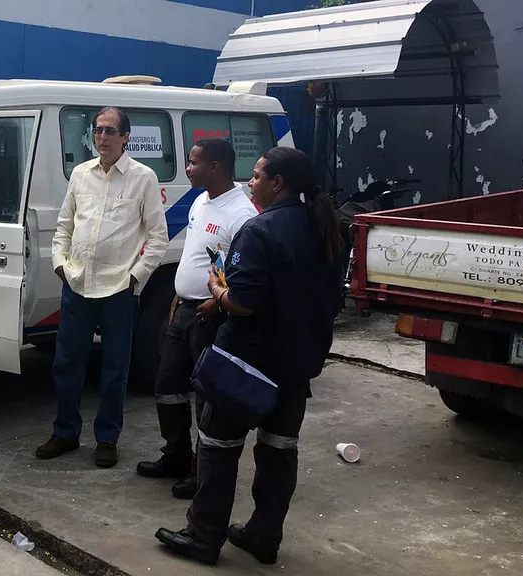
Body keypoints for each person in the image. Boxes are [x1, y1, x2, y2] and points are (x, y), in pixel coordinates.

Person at [155, 147, 343, 566]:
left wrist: (217, 290)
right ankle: (263, 535)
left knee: (218, 447)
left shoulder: (260, 231)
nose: (250, 182)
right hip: (297, 363)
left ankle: (204, 537)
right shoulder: (327, 229)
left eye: (257, 176)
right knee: (278, 450)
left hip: (247, 364)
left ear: (277, 183)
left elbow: (243, 302)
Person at [36, 107, 169, 468]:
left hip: (118, 291)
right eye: (98, 131)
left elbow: (158, 237)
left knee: (114, 369)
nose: (103, 137)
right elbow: (64, 225)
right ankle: (65, 432)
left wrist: (135, 278)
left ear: (125, 137)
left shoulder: (143, 178)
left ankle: (107, 439)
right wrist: (60, 264)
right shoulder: (80, 174)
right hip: (77, 285)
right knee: (66, 364)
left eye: (110, 131)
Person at [136, 139, 257, 498]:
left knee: (204, 397)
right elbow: (198, 256)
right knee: (167, 386)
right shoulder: (201, 200)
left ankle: (199, 472)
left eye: (192, 163)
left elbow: (243, 275)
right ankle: (175, 455)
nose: (187, 169)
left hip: (211, 316)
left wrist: (218, 305)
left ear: (216, 166)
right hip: (183, 309)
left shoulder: (242, 214)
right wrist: (179, 293)